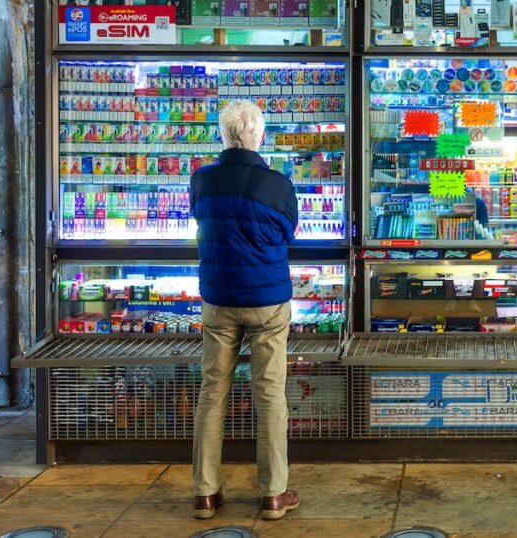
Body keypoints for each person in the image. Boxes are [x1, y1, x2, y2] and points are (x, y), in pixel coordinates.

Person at [190, 100, 300, 521]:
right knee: (270, 393)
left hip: (218, 300)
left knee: (211, 394)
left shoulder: (202, 181)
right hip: (268, 302)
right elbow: (289, 232)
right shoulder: (277, 185)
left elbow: (200, 220)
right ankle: (273, 494)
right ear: (259, 136)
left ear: (223, 135)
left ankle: (205, 493)